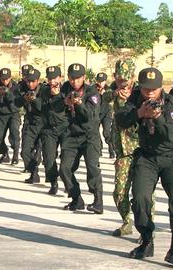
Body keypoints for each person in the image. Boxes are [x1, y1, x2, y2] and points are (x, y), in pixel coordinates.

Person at [115, 67, 173, 268]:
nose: (149, 93)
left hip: (172, 158)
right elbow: (121, 119)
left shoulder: (171, 103)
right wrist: (139, 112)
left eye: (154, 89)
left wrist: (158, 117)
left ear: (161, 87)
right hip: (147, 157)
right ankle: (146, 240)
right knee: (140, 198)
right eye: (146, 89)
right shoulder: (135, 100)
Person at [59, 63, 103, 214]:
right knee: (65, 168)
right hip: (71, 135)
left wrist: (79, 104)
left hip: (90, 135)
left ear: (84, 78)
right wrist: (64, 102)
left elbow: (89, 117)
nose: (74, 81)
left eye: (77, 78)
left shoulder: (92, 93)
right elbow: (55, 106)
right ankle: (76, 198)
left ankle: (98, 200)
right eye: (71, 78)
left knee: (92, 167)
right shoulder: (65, 88)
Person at [109, 59, 139, 236]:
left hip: (140, 148)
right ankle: (127, 221)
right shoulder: (113, 89)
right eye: (120, 79)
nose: (123, 83)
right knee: (119, 191)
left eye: (126, 79)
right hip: (121, 150)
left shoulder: (141, 92)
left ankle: (146, 229)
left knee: (144, 194)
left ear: (133, 77)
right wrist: (115, 94)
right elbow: (101, 97)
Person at [40, 66, 67, 195]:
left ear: (60, 78)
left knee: (67, 159)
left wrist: (59, 95)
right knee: (49, 158)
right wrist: (52, 92)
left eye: (55, 78)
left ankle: (68, 182)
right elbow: (44, 94)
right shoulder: (45, 89)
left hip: (65, 128)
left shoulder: (66, 89)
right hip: (49, 129)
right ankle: (53, 182)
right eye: (49, 78)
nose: (52, 81)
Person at [15, 68, 44, 183]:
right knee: (25, 152)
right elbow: (16, 103)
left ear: (38, 81)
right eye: (28, 81)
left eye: (33, 81)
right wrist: (24, 98)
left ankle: (53, 181)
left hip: (43, 123)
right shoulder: (23, 88)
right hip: (30, 123)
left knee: (42, 152)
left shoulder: (44, 90)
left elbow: (42, 107)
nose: (30, 84)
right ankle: (34, 172)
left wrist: (35, 99)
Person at [0, 68, 20, 165]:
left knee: (14, 134)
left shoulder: (16, 86)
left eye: (7, 79)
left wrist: (8, 93)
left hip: (14, 114)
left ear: (10, 78)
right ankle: (5, 154)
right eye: (3, 79)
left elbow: (15, 100)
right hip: (2, 114)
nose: (5, 81)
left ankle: (15, 155)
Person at [95, 72, 115, 158]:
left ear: (105, 81)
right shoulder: (93, 89)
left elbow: (113, 100)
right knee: (95, 132)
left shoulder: (109, 89)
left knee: (106, 132)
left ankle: (111, 149)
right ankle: (99, 149)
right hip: (96, 113)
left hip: (107, 113)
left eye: (102, 81)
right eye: (99, 81)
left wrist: (105, 94)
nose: (100, 83)